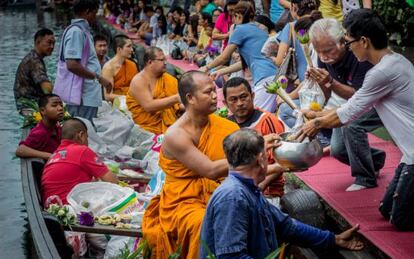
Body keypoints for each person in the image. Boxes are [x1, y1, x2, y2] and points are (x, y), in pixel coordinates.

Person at [299, 9, 414, 230]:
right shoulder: (392, 62)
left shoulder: (382, 72)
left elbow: (348, 113)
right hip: (408, 153)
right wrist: (318, 115)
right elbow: (350, 107)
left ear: (363, 41)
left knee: (400, 220)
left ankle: (366, 176)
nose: (348, 46)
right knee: (385, 209)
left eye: (348, 41)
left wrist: (315, 123)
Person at [200, 129, 364, 258]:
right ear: (260, 159)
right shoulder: (232, 198)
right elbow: (231, 257)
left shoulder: (247, 190)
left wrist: (333, 239)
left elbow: (285, 226)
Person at [142, 71, 240, 258]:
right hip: (183, 201)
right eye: (208, 92)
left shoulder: (225, 126)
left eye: (214, 91)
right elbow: (210, 170)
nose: (214, 96)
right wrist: (250, 154)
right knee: (202, 223)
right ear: (190, 98)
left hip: (219, 191)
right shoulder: (175, 135)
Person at [202, 1, 278, 112]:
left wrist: (206, 67)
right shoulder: (260, 29)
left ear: (238, 16)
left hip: (264, 78)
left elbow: (224, 57)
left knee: (258, 118)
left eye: (233, 16)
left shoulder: (240, 29)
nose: (232, 20)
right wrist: (221, 71)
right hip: (275, 75)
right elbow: (245, 63)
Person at [223, 77, 287, 199]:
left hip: (267, 192)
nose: (240, 103)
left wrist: (257, 189)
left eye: (243, 97)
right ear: (225, 103)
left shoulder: (268, 121)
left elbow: (281, 163)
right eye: (233, 99)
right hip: (234, 190)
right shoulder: (225, 125)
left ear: (252, 96)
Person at [53, 0, 112, 123]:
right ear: (87, 12)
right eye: (95, 13)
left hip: (86, 95)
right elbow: (72, 65)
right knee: (82, 128)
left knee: (86, 128)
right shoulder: (76, 32)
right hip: (82, 96)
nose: (96, 17)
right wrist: (98, 78)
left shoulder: (82, 31)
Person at [41, 118, 118, 205]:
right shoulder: (82, 150)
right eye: (87, 138)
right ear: (81, 135)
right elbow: (112, 181)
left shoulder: (55, 155)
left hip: (51, 209)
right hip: (70, 209)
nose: (87, 142)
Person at [126, 47, 181, 134]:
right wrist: (176, 98)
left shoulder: (169, 79)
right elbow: (149, 106)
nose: (165, 63)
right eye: (162, 60)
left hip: (171, 126)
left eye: (165, 59)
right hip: (147, 130)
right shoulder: (139, 80)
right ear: (150, 62)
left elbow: (177, 107)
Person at [14, 28, 55, 114]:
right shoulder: (34, 61)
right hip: (30, 107)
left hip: (26, 105)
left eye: (53, 43)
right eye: (49, 42)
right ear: (38, 42)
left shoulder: (33, 57)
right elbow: (46, 87)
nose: (52, 46)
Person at [16, 94, 64, 160]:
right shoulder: (40, 133)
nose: (60, 108)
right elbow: (20, 150)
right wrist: (49, 156)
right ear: (42, 111)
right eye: (54, 105)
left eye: (61, 105)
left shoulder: (57, 128)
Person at [102, 35, 138, 101]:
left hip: (133, 100)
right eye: (128, 46)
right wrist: (127, 98)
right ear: (119, 49)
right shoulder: (108, 68)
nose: (132, 50)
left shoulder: (132, 65)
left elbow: (137, 87)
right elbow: (107, 95)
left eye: (132, 46)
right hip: (118, 104)